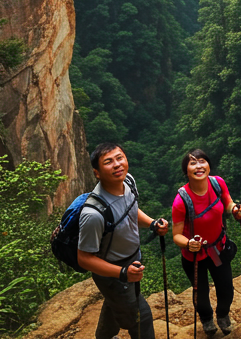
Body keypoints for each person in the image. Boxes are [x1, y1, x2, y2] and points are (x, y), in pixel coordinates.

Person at [78, 142, 168, 339]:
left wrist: (152, 224)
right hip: (113, 273)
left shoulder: (128, 182)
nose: (117, 164)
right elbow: (84, 258)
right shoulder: (93, 213)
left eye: (120, 158)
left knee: (116, 303)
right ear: (97, 173)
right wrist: (122, 273)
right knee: (141, 317)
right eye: (108, 162)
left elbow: (130, 210)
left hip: (131, 263)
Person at [172, 148, 241, 336]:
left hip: (218, 249)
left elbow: (228, 203)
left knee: (226, 289)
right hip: (194, 255)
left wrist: (235, 209)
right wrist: (189, 243)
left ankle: (223, 315)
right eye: (193, 163)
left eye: (202, 161)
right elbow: (176, 235)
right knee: (201, 293)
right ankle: (206, 318)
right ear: (186, 170)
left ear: (209, 165)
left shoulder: (217, 183)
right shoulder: (181, 201)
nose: (199, 166)